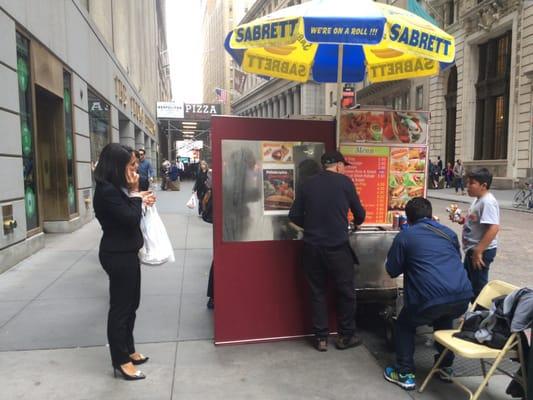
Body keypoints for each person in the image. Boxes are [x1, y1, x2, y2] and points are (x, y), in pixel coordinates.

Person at [384, 197, 473, 391]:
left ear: (408, 218)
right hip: (462, 296)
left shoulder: (405, 236)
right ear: (431, 214)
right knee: (444, 319)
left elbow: (391, 270)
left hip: (428, 300)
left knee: (404, 325)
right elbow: (454, 259)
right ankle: (445, 368)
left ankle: (405, 372)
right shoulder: (448, 233)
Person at [289, 150, 366, 352]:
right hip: (338, 248)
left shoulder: (307, 184)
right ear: (339, 165)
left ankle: (321, 338)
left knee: (317, 292)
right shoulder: (345, 183)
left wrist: (313, 226)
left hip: (312, 248)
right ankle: (346, 336)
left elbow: (294, 216)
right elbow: (360, 214)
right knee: (346, 292)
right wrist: (355, 223)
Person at [93, 143, 156, 380]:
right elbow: (129, 218)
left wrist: (139, 196)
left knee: (132, 305)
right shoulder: (107, 191)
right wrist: (136, 191)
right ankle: (120, 360)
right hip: (117, 255)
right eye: (131, 164)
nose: (136, 167)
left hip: (127, 253)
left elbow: (129, 208)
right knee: (121, 308)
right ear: (117, 166)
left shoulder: (115, 188)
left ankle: (129, 349)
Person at [451, 167, 500, 298]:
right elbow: (474, 220)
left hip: (480, 251)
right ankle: (473, 313)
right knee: (468, 282)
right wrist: (461, 219)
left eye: (471, 183)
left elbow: (494, 228)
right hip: (472, 249)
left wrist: (479, 251)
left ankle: (482, 314)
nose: (467, 186)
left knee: (478, 288)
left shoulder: (487, 202)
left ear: (483, 185)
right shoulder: (477, 200)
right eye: (467, 183)